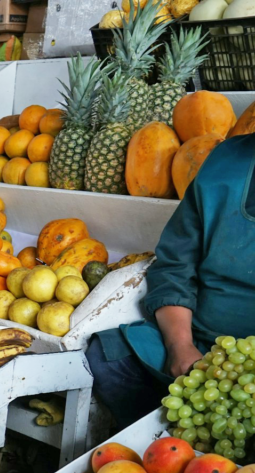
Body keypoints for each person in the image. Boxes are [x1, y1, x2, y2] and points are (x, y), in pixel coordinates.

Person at [86, 132, 255, 429]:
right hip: (199, 342)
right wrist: (180, 345)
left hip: (246, 371)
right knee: (107, 357)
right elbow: (176, 265)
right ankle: (165, 452)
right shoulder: (226, 160)